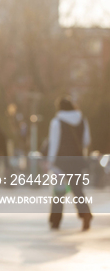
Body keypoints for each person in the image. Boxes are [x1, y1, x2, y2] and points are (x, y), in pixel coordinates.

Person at [47, 96, 92, 231]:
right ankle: (85, 214)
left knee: (59, 191)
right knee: (78, 190)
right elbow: (86, 141)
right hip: (77, 161)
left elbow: (54, 143)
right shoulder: (82, 120)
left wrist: (50, 162)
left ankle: (55, 220)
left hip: (60, 162)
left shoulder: (57, 122)